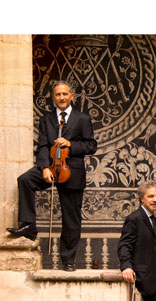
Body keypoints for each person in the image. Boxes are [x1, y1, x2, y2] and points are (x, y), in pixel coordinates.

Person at [6, 80, 97, 271]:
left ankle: (68, 260)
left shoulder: (82, 118)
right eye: (58, 95)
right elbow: (42, 146)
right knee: (25, 180)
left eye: (65, 94)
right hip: (51, 166)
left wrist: (71, 144)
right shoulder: (46, 119)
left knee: (71, 218)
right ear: (53, 97)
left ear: (71, 96)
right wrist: (44, 167)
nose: (62, 98)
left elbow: (91, 145)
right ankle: (29, 225)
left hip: (71, 170)